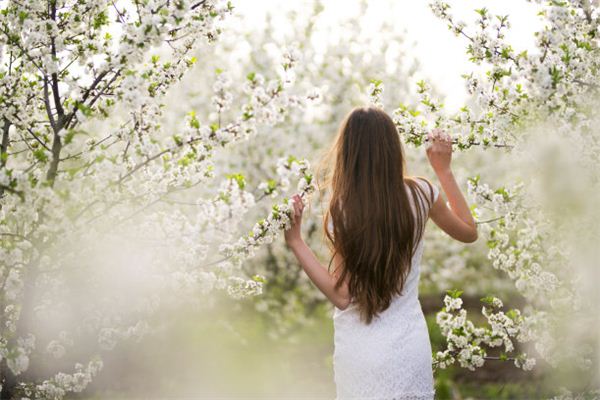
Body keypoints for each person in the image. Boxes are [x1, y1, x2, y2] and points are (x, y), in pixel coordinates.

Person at [284, 106, 478, 399]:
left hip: (360, 352)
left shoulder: (344, 209)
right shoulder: (422, 194)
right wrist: (443, 170)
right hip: (409, 347)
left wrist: (296, 242)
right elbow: (468, 231)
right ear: (392, 148)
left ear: (348, 153)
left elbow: (342, 295)